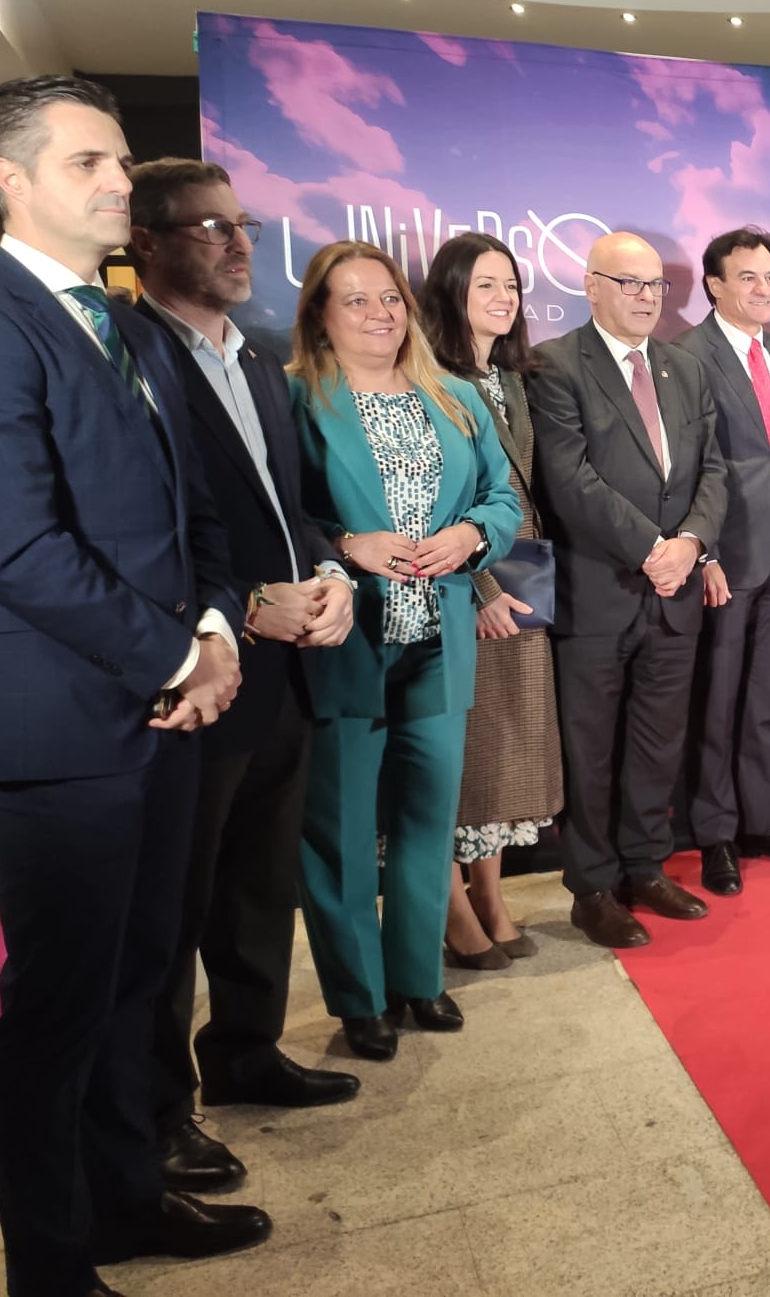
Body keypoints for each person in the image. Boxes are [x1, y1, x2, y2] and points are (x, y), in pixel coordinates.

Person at [0, 76, 269, 1295]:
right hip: (58, 728)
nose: (117, 182)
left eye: (121, 162)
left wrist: (214, 630)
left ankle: (130, 1199)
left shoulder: (133, 327)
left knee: (144, 979)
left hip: (167, 709)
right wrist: (178, 657)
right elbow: (13, 549)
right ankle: (50, 1258)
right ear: (9, 178)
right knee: (59, 1006)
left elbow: (189, 510)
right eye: (87, 162)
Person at [130, 158, 360, 1200]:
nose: (236, 242)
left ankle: (247, 1053)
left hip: (286, 671)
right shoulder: (127, 356)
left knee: (258, 883)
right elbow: (139, 532)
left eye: (242, 224)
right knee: (170, 909)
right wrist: (231, 609)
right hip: (197, 673)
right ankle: (156, 1115)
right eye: (209, 226)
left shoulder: (259, 360)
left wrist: (325, 574)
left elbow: (291, 502)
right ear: (149, 243)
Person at [287, 241, 521, 1059]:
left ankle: (419, 980)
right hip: (346, 639)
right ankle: (360, 1000)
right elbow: (282, 518)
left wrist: (469, 535)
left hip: (440, 633)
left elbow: (503, 501)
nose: (379, 314)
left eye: (389, 298)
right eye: (355, 301)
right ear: (320, 313)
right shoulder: (295, 401)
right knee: (344, 830)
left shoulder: (453, 395)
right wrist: (350, 545)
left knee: (427, 821)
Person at [529, 231, 727, 947]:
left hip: (674, 594)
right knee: (592, 751)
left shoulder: (684, 367)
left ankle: (646, 866)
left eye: (655, 286)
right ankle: (593, 886)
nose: (646, 298)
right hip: (598, 593)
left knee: (656, 743)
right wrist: (652, 549)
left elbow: (714, 470)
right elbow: (570, 479)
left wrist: (692, 544)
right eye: (630, 283)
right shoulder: (554, 366)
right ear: (590, 285)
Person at [417, 232, 567, 961]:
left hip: (525, 575)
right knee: (459, 754)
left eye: (510, 284)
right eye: (485, 285)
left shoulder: (512, 377)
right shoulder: (429, 378)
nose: (504, 298)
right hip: (462, 585)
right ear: (450, 293)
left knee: (505, 749)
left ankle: (492, 896)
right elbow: (431, 502)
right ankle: (452, 913)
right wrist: (477, 588)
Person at [671, 226, 770, 895]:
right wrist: (701, 550)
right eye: (749, 278)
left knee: (767, 700)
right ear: (713, 285)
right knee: (719, 701)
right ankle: (716, 835)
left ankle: (766, 822)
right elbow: (682, 471)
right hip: (724, 557)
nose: (766, 289)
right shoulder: (686, 356)